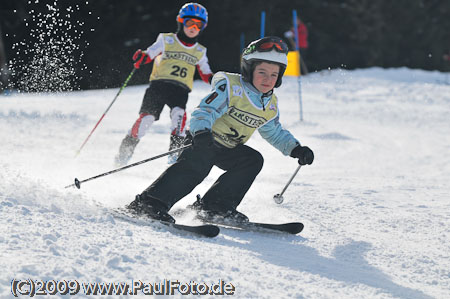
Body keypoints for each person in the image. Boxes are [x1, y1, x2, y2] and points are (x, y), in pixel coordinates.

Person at [126, 36, 314, 224]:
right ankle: (150, 203)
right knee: (197, 165)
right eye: (262, 72)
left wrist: (295, 149)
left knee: (252, 160)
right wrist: (201, 133)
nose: (268, 79)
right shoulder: (232, 88)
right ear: (249, 70)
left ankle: (215, 206)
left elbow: (274, 132)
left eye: (274, 75)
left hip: (229, 147)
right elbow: (205, 111)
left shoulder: (269, 104)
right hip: (204, 140)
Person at [115, 3, 213, 166]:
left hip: (180, 91)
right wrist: (143, 57)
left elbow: (205, 72)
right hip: (159, 87)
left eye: (198, 25)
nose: (193, 28)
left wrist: (216, 80)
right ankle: (124, 154)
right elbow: (150, 53)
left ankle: (175, 158)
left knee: (179, 120)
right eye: (190, 23)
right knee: (145, 121)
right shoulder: (167, 39)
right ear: (181, 22)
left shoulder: (200, 50)